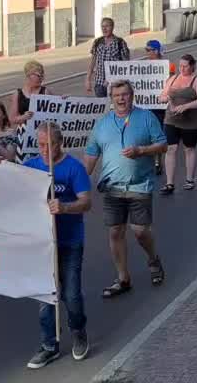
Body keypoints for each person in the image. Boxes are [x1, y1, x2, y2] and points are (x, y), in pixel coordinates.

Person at [3, 122, 91, 369]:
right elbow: (9, 181)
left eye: (49, 144)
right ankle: (49, 344)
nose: (44, 150)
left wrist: (65, 207)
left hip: (70, 240)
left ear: (59, 142)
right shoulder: (31, 166)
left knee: (71, 294)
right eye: (40, 144)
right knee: (46, 296)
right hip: (43, 244)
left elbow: (86, 202)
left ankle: (78, 331)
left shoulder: (74, 168)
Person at [83, 80, 168, 298]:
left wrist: (141, 150)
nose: (121, 99)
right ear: (111, 99)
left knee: (140, 231)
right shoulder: (102, 124)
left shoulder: (146, 117)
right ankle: (123, 278)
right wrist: (81, 180)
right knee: (115, 231)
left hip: (140, 183)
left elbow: (162, 145)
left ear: (132, 96)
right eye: (117, 95)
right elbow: (92, 154)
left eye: (125, 94)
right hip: (112, 187)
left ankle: (153, 259)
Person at [158, 54, 197, 194]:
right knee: (171, 149)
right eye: (180, 66)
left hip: (191, 121)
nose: (182, 69)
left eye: (185, 66)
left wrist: (186, 106)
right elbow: (164, 94)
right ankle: (169, 183)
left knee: (189, 149)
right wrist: (163, 98)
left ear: (192, 66)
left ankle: (190, 179)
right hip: (172, 119)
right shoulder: (173, 79)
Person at [142, 40, 173, 175]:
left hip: (159, 104)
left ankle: (157, 160)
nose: (147, 53)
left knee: (157, 131)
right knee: (146, 132)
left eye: (149, 50)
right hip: (145, 103)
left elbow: (171, 82)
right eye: (146, 50)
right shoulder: (144, 66)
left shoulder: (168, 66)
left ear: (156, 51)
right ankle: (149, 159)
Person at [85, 17, 130, 97]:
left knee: (114, 107)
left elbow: (126, 65)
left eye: (107, 26)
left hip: (115, 84)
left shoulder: (120, 43)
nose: (104, 29)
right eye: (102, 26)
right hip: (99, 83)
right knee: (102, 107)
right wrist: (88, 79)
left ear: (112, 27)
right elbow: (92, 62)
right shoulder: (97, 42)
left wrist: (114, 79)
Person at [10, 60, 48, 127]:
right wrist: (24, 117)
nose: (42, 78)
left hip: (41, 133)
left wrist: (64, 99)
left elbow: (57, 112)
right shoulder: (17, 94)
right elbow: (12, 119)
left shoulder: (45, 91)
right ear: (29, 75)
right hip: (24, 133)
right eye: (39, 75)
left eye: (42, 75)